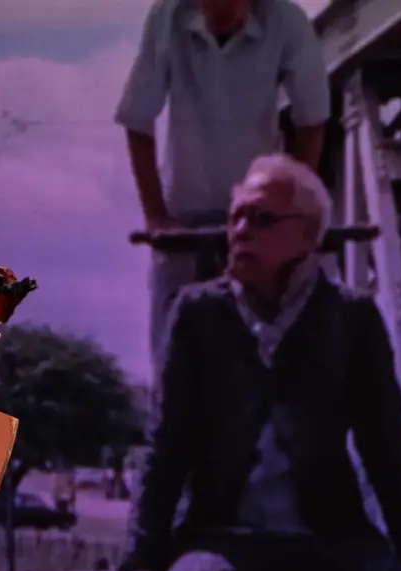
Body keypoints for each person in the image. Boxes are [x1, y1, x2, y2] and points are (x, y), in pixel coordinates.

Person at [102, 154, 401, 571]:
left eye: (262, 218)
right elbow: (165, 450)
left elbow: (387, 451)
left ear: (309, 235)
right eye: (236, 217)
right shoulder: (198, 314)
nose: (241, 230)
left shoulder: (350, 319)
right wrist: (137, 569)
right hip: (221, 538)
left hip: (331, 537)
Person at [115, 0, 331, 362]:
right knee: (173, 349)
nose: (224, 12)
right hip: (184, 213)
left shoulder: (286, 21)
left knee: (272, 346)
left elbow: (312, 118)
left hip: (262, 216)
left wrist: (292, 209)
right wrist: (156, 216)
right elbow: (137, 119)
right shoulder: (168, 17)